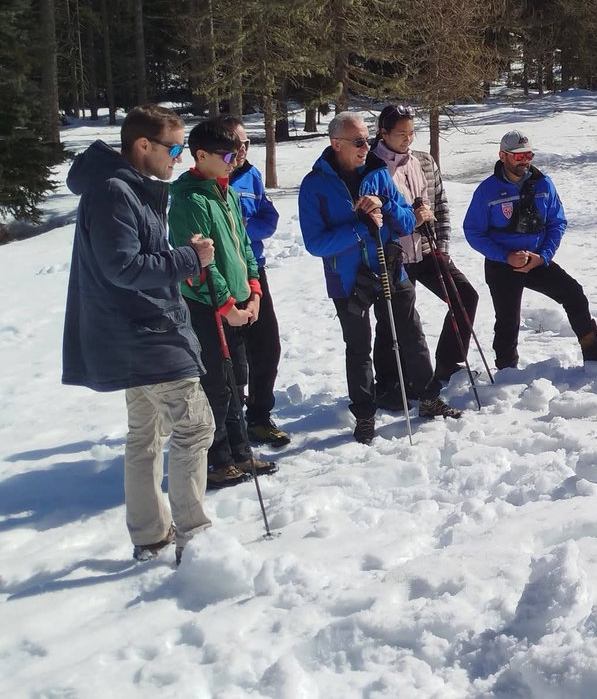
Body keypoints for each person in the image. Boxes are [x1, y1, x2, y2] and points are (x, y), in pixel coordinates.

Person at [62, 104, 216, 562]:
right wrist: (190, 261)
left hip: (138, 332)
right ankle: (196, 537)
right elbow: (123, 266)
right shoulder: (114, 191)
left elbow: (134, 255)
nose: (180, 157)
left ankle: (150, 536)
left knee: (144, 434)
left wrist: (177, 255)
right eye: (175, 147)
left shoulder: (126, 188)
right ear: (142, 145)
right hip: (145, 334)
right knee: (194, 427)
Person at [298, 111, 459, 446]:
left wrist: (384, 205)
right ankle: (365, 415)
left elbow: (404, 221)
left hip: (389, 267)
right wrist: (361, 226)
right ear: (336, 143)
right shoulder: (315, 184)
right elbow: (315, 243)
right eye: (358, 141)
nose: (365, 146)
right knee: (358, 348)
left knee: (411, 333)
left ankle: (427, 397)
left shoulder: (377, 172)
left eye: (367, 139)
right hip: (346, 279)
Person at [168, 118, 278, 489]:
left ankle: (240, 450)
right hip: (209, 306)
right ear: (200, 155)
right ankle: (216, 458)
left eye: (237, 153)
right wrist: (226, 305)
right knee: (217, 382)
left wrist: (253, 289)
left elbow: (244, 246)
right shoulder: (189, 199)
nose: (235, 161)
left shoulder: (226, 192)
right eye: (227, 154)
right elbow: (199, 265)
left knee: (238, 379)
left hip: (239, 302)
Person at [463, 129, 597, 370]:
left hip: (536, 259)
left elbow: (557, 222)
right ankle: (506, 370)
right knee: (507, 321)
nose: (525, 161)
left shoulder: (543, 183)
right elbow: (473, 232)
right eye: (518, 156)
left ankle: (593, 353)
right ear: (503, 156)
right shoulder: (486, 190)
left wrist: (543, 256)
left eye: (529, 155)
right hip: (502, 263)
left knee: (574, 294)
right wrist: (506, 256)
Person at [372, 104, 479, 385]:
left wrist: (441, 245)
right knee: (393, 321)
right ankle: (391, 380)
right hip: (395, 255)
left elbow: (440, 206)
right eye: (400, 134)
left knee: (465, 296)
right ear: (383, 133)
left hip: (428, 249)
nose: (407, 139)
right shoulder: (372, 167)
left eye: (411, 133)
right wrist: (412, 220)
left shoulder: (424, 161)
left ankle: (449, 363)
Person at [220, 116, 287, 448]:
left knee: (268, 347)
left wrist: (242, 231)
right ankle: (229, 427)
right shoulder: (206, 182)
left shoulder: (251, 176)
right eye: (236, 143)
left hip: (253, 271)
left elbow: (269, 219)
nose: (243, 149)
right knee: (232, 358)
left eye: (247, 143)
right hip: (219, 278)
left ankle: (259, 416)